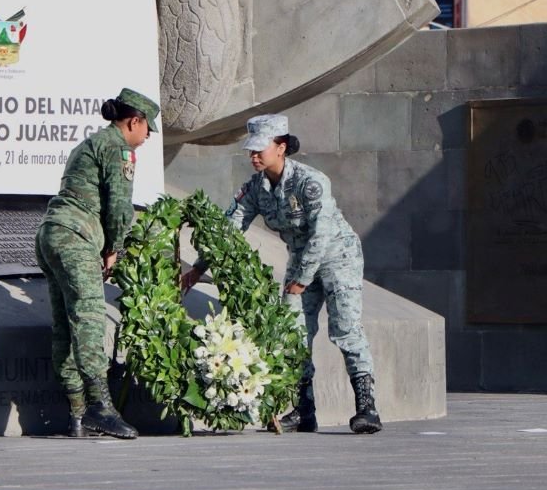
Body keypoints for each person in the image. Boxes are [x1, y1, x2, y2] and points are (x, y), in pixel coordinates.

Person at [181, 114, 382, 434]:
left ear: (282, 147)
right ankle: (304, 411)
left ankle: (367, 407)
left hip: (337, 258)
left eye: (261, 149)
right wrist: (197, 269)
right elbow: (229, 230)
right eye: (251, 150)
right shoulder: (255, 188)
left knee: (345, 329)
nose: (254, 155)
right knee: (291, 334)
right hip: (299, 263)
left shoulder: (311, 182)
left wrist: (302, 279)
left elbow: (321, 234)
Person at [35, 88, 160, 439]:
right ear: (133, 122)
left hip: (50, 232)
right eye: (147, 128)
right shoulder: (118, 148)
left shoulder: (88, 143)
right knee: (88, 318)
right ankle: (101, 408)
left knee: (65, 324)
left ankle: (76, 412)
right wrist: (114, 248)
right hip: (77, 237)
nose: (148, 136)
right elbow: (120, 208)